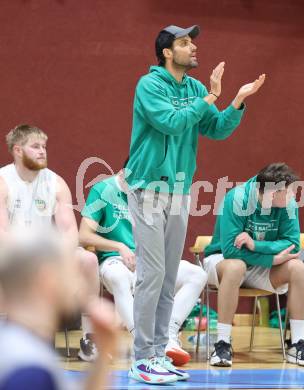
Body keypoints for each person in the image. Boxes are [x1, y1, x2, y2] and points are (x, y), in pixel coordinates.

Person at [125, 24, 266, 384]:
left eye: (193, 41)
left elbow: (216, 128)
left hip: (179, 191)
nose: (193, 48)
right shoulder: (150, 85)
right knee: (152, 274)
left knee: (169, 275)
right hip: (148, 188)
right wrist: (209, 98)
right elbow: (170, 123)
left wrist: (235, 100)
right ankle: (140, 357)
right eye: (185, 43)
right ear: (167, 53)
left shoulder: (196, 88)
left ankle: (158, 353)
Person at [79, 166, 208, 370]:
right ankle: (141, 340)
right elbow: (83, 235)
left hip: (148, 262)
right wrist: (119, 246)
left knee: (197, 274)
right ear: (122, 173)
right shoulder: (103, 190)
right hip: (114, 261)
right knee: (120, 278)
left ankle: (168, 335)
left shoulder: (153, 191)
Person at [0, 124, 100, 362]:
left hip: (46, 253)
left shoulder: (55, 183)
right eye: (35, 146)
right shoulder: (3, 181)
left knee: (88, 259)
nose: (43, 151)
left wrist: (59, 259)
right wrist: (25, 259)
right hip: (11, 252)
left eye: (44, 146)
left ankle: (89, 338)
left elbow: (68, 230)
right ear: (17, 150)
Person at [204, 162, 304, 367]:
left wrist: (255, 244)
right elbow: (230, 250)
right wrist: (271, 259)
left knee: (298, 268)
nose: (293, 195)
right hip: (221, 261)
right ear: (271, 194)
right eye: (288, 192)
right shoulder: (237, 199)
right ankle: (222, 344)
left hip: (258, 264)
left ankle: (297, 344)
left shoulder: (288, 205)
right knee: (235, 266)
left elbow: (293, 245)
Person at [0, 229, 118, 390]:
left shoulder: (21, 347)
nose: (79, 284)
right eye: (71, 273)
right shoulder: (29, 371)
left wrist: (103, 355)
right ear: (47, 280)